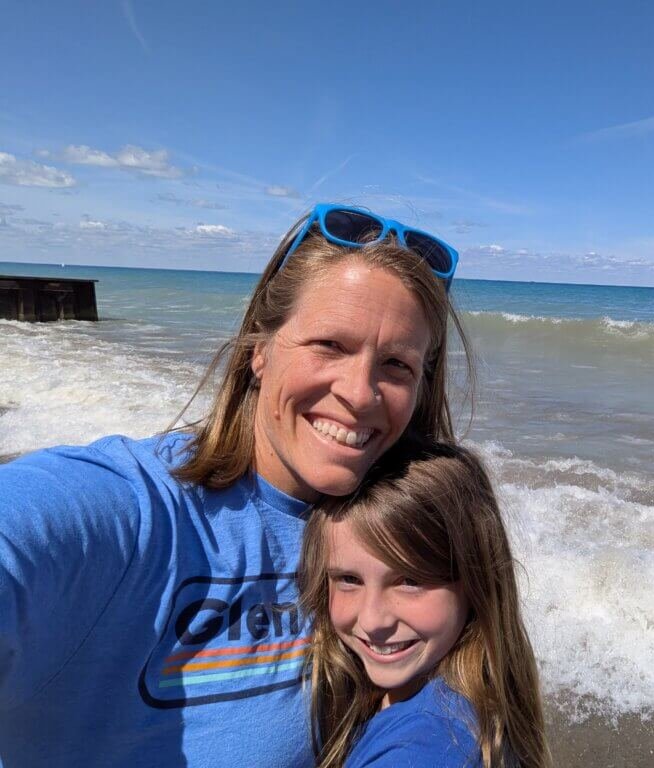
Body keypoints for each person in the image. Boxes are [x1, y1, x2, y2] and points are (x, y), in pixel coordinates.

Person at [0, 205, 469, 767]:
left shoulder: (400, 535)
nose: (361, 392)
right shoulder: (140, 507)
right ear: (259, 353)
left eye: (396, 364)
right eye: (330, 346)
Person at [299, 438, 550, 768]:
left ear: (476, 583)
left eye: (410, 581)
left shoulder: (422, 749)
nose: (373, 620)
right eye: (349, 579)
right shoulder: (436, 700)